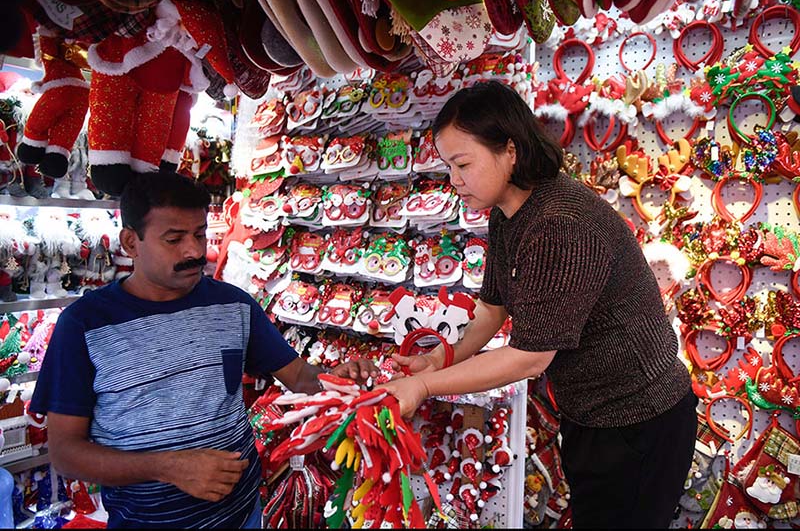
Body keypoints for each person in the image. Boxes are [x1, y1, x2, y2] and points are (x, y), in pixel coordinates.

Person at [379, 81, 696, 529]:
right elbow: (492, 309)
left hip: (639, 419)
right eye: (449, 166)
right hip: (592, 413)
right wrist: (438, 359)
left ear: (509, 150)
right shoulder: (507, 213)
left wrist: (425, 386)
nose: (454, 180)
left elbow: (530, 356)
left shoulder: (557, 224)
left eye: (463, 164)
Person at [30, 171, 377, 528]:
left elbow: (299, 376)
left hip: (242, 515)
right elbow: (66, 453)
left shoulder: (233, 305)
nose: (194, 251)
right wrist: (166, 467)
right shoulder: (84, 325)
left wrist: (336, 380)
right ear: (131, 242)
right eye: (174, 239)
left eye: (199, 234)